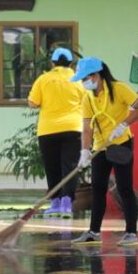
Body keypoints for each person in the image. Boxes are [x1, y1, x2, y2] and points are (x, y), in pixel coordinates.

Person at [73, 58, 138, 246]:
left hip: (121, 144)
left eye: (85, 78)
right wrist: (84, 151)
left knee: (124, 188)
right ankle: (94, 232)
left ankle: (131, 233)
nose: (84, 82)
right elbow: (87, 128)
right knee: (98, 188)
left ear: (96, 75)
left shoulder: (119, 89)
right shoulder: (88, 98)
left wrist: (123, 125)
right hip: (100, 147)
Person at [27, 46, 88, 217]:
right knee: (70, 167)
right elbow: (87, 102)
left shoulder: (43, 79)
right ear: (71, 64)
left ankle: (55, 203)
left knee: (52, 167)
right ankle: (67, 205)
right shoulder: (78, 80)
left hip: (48, 130)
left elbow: (33, 102)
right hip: (73, 128)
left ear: (52, 63)